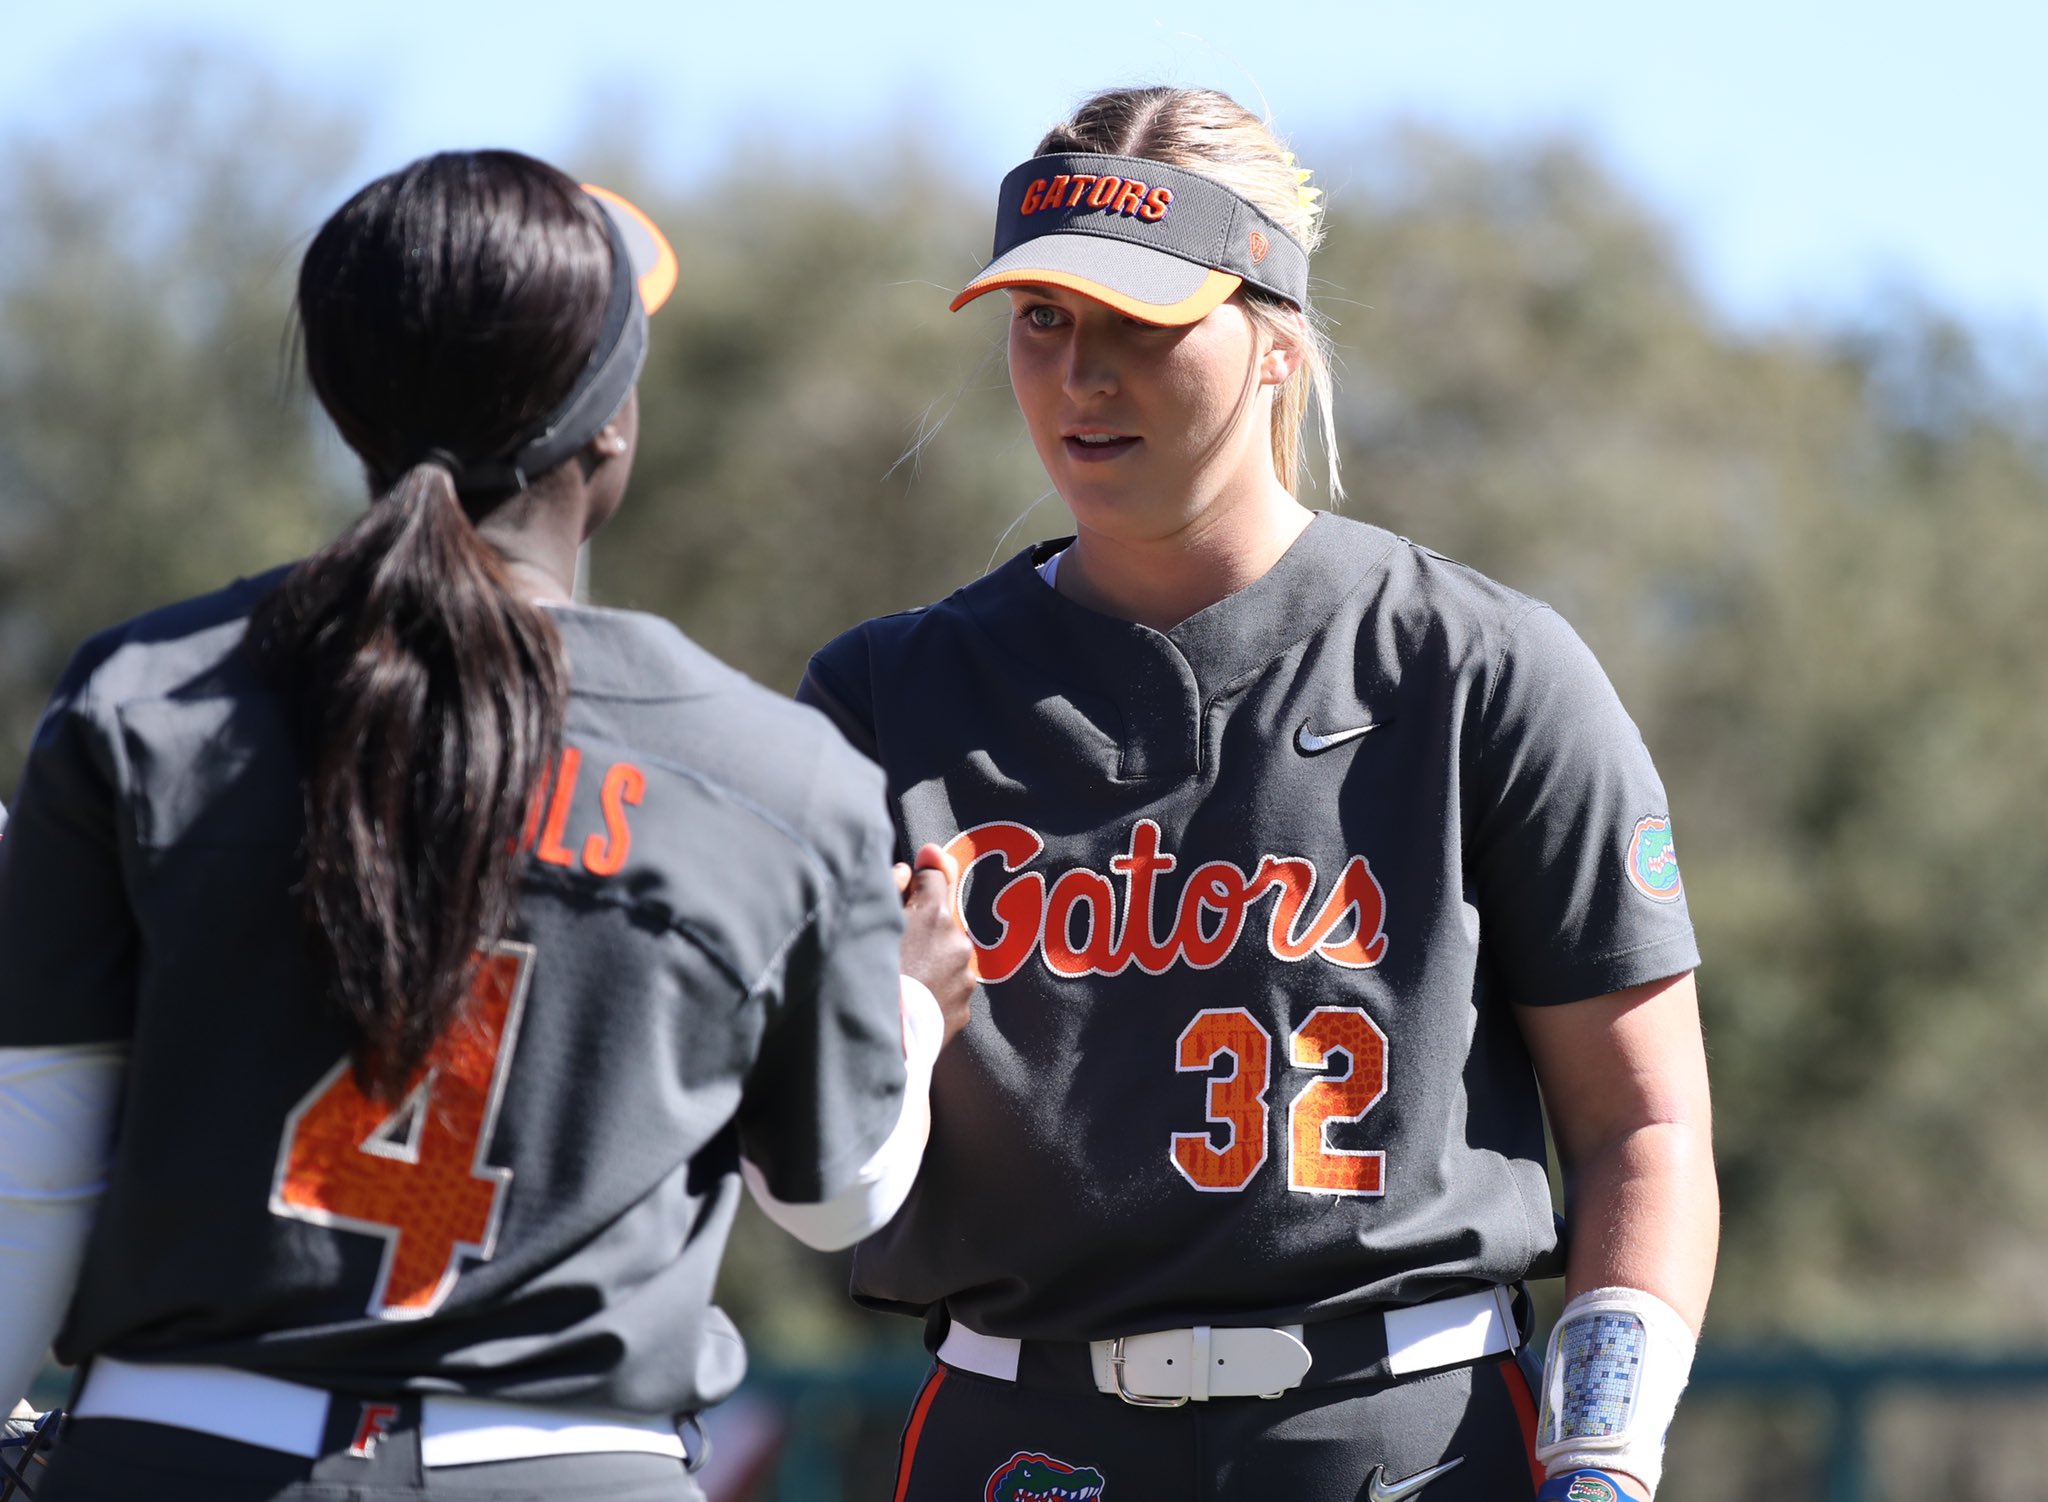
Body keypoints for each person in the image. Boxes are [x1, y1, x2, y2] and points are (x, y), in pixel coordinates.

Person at [0, 148, 973, 1502]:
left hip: (183, 1456)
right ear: (612, 426)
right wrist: (913, 1012)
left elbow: (33, 1173)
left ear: (348, 404)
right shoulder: (780, 773)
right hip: (573, 1469)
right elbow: (833, 1196)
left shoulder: (141, 700)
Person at [798, 87, 1717, 1502]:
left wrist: (1603, 1456)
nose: (1080, 373)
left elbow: (1642, 1125)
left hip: (1406, 1433)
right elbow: (806, 1132)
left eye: (1140, 320)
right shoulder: (883, 698)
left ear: (1276, 334)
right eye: (1041, 318)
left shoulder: (1482, 666)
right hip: (1022, 1436)